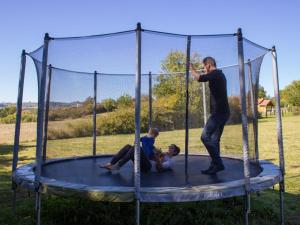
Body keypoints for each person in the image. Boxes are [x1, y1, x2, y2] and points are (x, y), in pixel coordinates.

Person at [190, 56, 230, 175]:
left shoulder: (216, 73)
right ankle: (215, 166)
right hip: (222, 112)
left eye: (204, 67)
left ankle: (218, 163)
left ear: (208, 65)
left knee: (205, 137)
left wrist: (191, 69)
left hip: (219, 113)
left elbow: (199, 78)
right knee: (214, 139)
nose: (204, 69)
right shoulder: (219, 75)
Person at [99, 144, 180, 172]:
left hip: (148, 168)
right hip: (145, 163)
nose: (169, 147)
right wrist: (154, 152)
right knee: (128, 146)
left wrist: (157, 156)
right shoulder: (164, 154)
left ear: (175, 152)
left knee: (136, 147)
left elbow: (159, 168)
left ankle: (118, 166)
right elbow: (152, 157)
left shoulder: (171, 162)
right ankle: (111, 163)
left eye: (171, 148)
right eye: (169, 146)